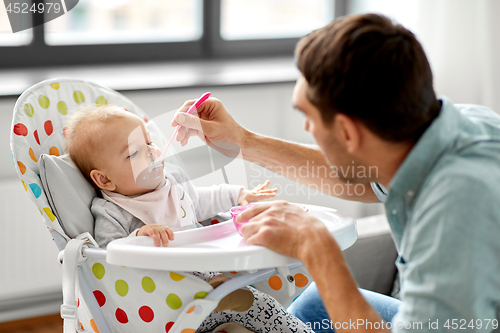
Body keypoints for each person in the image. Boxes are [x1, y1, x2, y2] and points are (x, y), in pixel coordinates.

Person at [171, 13, 500, 333]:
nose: (306, 127)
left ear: (346, 131)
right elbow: (362, 173)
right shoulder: (448, 129)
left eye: (308, 117)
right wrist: (244, 141)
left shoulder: (456, 205)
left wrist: (318, 249)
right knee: (314, 304)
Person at [64, 103, 312, 333]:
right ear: (104, 180)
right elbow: (106, 260)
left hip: (205, 279)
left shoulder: (170, 185)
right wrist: (137, 236)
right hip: (165, 301)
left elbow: (200, 201)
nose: (151, 152)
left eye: (149, 142)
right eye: (133, 153)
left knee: (253, 301)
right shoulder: (112, 211)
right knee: (258, 304)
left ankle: (224, 299)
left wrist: (239, 194)